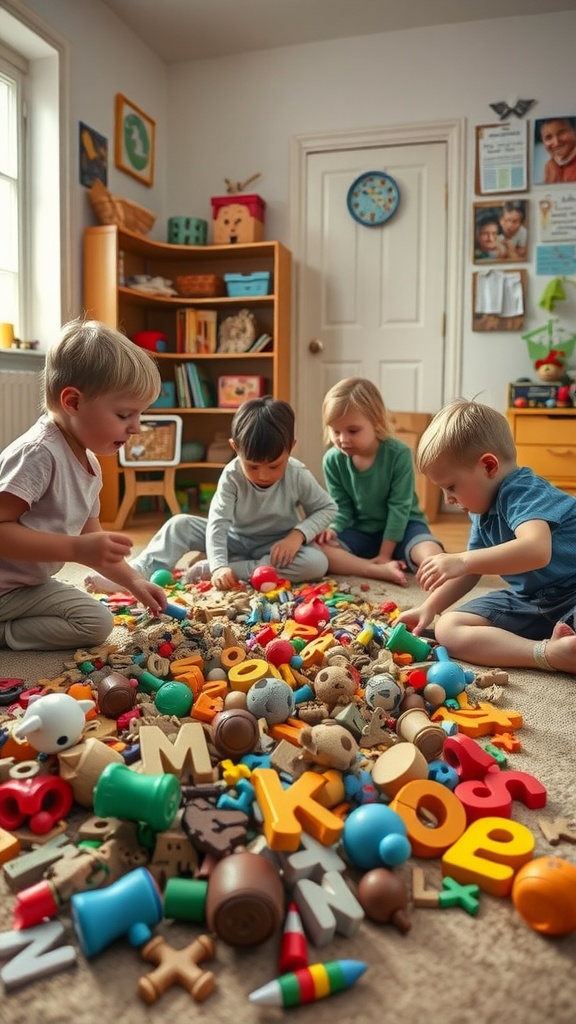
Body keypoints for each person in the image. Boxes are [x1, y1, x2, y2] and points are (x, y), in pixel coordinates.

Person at [0, 318, 168, 652]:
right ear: (73, 402)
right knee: (95, 624)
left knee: (96, 621)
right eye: (125, 415)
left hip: (26, 586)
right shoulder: (38, 454)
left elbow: (93, 541)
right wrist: (75, 550)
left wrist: (135, 582)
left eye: (139, 415)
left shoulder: (89, 463)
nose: (136, 428)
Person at [86, 396, 337, 593]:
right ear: (235, 448)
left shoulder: (297, 473)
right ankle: (134, 574)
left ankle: (232, 568)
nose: (263, 475)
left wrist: (297, 535)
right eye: (252, 466)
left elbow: (327, 508)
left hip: (275, 547)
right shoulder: (232, 475)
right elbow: (217, 525)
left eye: (274, 466)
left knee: (317, 563)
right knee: (179, 525)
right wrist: (220, 565)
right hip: (234, 538)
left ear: (291, 448)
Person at [397, 397, 576, 673]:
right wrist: (430, 608)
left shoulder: (524, 490)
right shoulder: (480, 512)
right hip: (533, 602)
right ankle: (546, 653)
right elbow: (471, 573)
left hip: (572, 594)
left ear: (489, 466)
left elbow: (537, 551)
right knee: (448, 627)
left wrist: (462, 559)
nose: (448, 500)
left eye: (451, 487)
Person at [315, 378, 443, 586]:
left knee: (429, 552)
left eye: (353, 431)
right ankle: (375, 570)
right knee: (318, 550)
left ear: (376, 422)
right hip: (360, 530)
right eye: (335, 431)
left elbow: (399, 507)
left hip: (405, 527)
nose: (343, 439)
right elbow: (342, 508)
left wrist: (385, 553)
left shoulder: (398, 454)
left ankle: (391, 561)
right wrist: (333, 528)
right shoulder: (333, 459)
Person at [538, 117, 576, 184]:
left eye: (561, 133)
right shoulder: (549, 166)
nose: (556, 143)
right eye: (548, 137)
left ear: (574, 132)